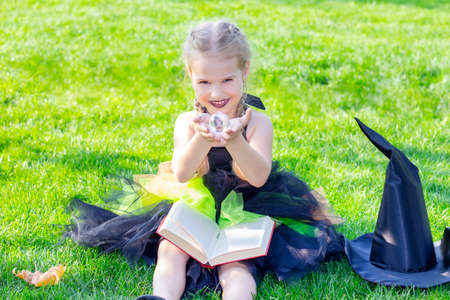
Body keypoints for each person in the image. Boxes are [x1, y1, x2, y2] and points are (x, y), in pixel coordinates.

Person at [66, 20, 344, 300]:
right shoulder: (187, 122)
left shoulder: (258, 122)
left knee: (236, 265)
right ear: (190, 74)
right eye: (204, 82)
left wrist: (236, 140)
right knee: (170, 249)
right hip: (197, 202)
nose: (217, 93)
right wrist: (201, 138)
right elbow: (184, 172)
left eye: (227, 80)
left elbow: (257, 176)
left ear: (244, 70)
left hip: (249, 203)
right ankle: (161, 297)